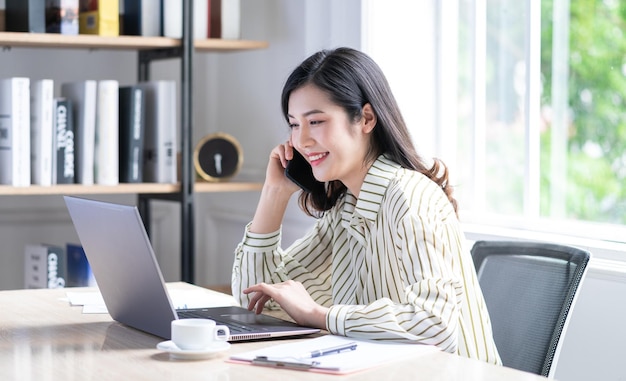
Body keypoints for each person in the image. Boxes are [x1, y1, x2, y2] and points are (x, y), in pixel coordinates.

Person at [231, 47, 501, 365]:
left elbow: (435, 325)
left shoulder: (410, 197)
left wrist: (321, 316)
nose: (301, 141)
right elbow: (258, 298)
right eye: (294, 125)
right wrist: (274, 194)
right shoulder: (345, 207)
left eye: (315, 121)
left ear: (366, 119)